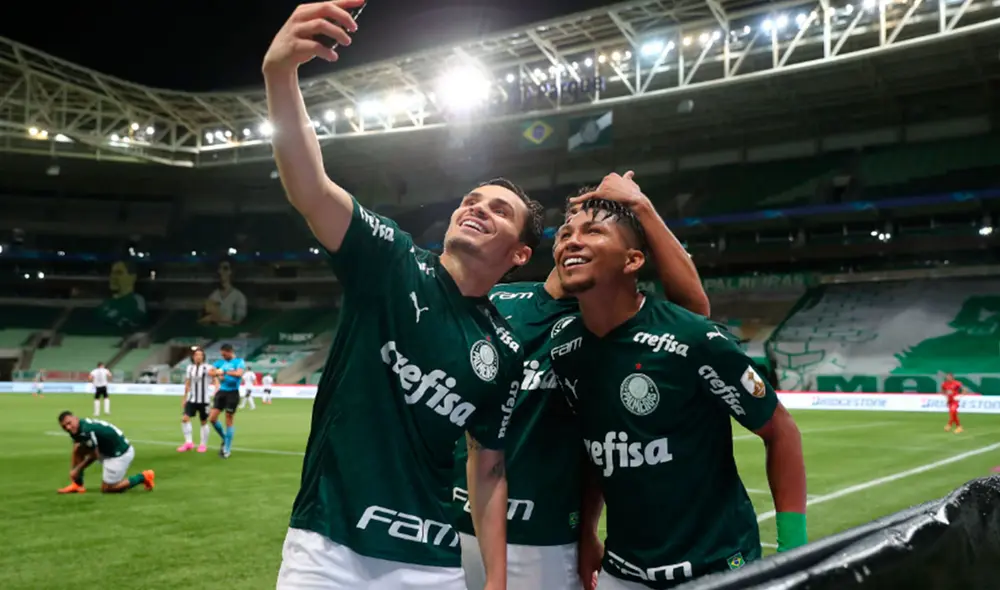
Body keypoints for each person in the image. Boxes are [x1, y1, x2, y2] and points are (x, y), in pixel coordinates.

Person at [264, 2, 540, 587]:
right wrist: (279, 75)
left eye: (499, 209)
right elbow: (310, 188)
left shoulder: (504, 349)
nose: (476, 207)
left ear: (520, 254)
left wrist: (495, 580)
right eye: (472, 199)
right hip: (328, 546)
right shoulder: (389, 260)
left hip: (431, 563)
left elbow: (487, 471)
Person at [453, 172, 711, 590]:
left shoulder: (611, 325)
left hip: (546, 540)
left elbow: (695, 313)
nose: (577, 239)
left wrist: (641, 206)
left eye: (596, 229)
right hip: (453, 523)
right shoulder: (499, 300)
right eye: (570, 226)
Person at [548, 198, 807, 589]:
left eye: (593, 231)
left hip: (718, 570)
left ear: (633, 261)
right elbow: (593, 453)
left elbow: (780, 430)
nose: (571, 240)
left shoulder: (693, 339)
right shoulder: (564, 349)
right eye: (565, 233)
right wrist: (586, 533)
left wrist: (793, 549)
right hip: (622, 573)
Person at [56, 411, 155, 494]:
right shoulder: (77, 428)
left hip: (120, 454)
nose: (68, 428)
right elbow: (77, 448)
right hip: (106, 449)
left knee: (108, 489)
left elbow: (94, 456)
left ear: (76, 419)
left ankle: (144, 476)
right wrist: (74, 469)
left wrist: (77, 469)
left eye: (69, 423)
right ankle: (77, 485)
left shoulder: (86, 430)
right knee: (78, 449)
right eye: (64, 427)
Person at [209, 343, 245, 459]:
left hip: (233, 393)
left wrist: (224, 372)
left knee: (229, 419)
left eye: (224, 354)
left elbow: (239, 374)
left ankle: (227, 449)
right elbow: (211, 372)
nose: (223, 356)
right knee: (213, 418)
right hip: (221, 392)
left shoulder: (238, 362)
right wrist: (216, 373)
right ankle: (225, 438)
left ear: (229, 352)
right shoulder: (220, 363)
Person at [178, 348, 216, 453]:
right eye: (196, 355)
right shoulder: (190, 368)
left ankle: (203, 445)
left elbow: (216, 380)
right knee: (185, 419)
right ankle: (188, 443)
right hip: (192, 399)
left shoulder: (208, 367)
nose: (198, 356)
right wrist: (184, 397)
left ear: (203, 357)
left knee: (203, 422)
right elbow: (187, 382)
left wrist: (216, 393)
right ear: (193, 357)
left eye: (200, 355)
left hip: (204, 400)